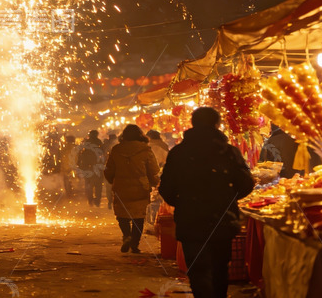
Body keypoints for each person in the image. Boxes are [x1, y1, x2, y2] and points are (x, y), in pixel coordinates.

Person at [159, 107, 254, 298]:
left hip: (190, 218)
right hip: (222, 218)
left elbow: (166, 188)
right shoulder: (229, 152)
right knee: (220, 268)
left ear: (192, 124)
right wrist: (227, 198)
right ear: (217, 124)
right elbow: (246, 184)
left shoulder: (178, 152)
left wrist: (183, 203)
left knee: (197, 269)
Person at [104, 124, 159, 253]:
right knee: (138, 217)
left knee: (122, 215)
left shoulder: (116, 149)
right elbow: (153, 170)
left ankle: (126, 235)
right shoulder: (145, 150)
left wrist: (112, 180)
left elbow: (108, 170)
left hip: (121, 187)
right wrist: (153, 183)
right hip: (140, 188)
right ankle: (134, 244)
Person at [78, 130, 104, 207]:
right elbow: (103, 154)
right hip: (97, 167)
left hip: (87, 167)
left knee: (88, 184)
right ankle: (97, 200)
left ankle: (90, 200)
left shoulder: (86, 143)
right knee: (98, 185)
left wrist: (80, 165)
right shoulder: (99, 142)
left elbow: (81, 155)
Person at [102, 133, 118, 209]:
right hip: (117, 170)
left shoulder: (106, 146)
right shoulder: (118, 147)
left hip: (109, 168)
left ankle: (110, 201)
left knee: (109, 187)